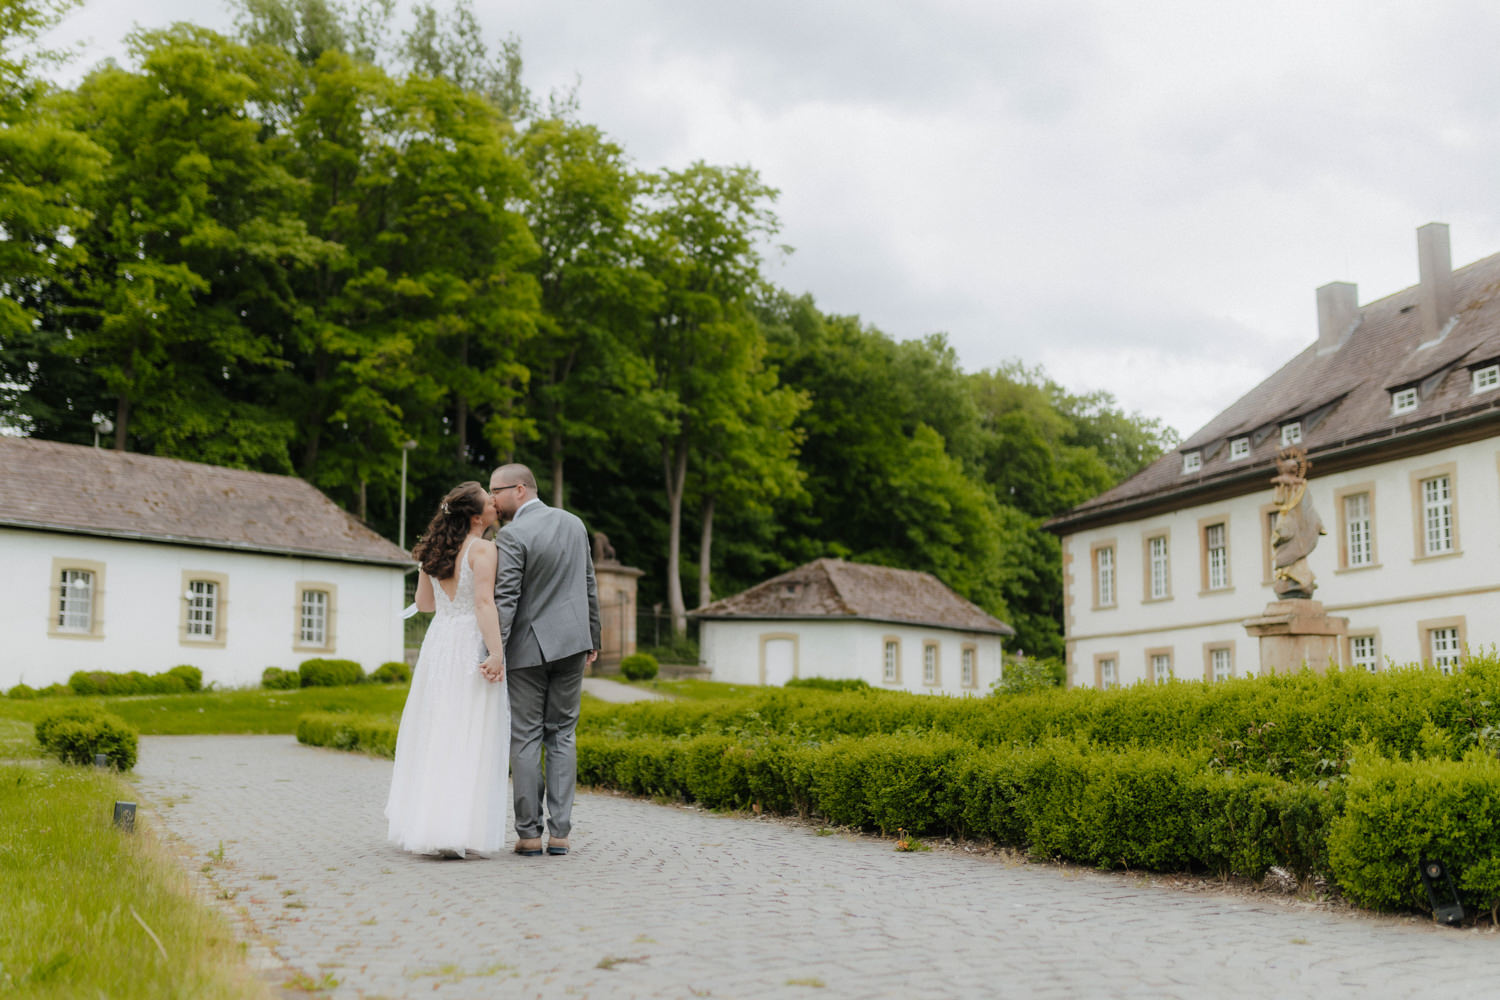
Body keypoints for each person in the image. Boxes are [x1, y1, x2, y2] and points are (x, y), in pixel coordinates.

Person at [385, 482, 510, 858]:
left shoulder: (433, 551)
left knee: (435, 727)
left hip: (439, 643)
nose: (495, 504)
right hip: (468, 640)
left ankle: (427, 823)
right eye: (489, 502)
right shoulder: (483, 549)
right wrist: (496, 652)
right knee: (468, 730)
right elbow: (484, 604)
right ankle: (457, 827)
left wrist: (448, 596)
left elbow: (424, 604)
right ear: (476, 518)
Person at [486, 464, 600, 857]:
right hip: (573, 644)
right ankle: (561, 835)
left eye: (496, 491)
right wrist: (593, 637)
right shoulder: (574, 523)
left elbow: (506, 598)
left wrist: (494, 651)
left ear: (519, 489)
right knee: (563, 734)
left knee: (526, 736)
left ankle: (529, 835)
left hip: (527, 650)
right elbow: (589, 583)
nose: (492, 500)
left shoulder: (512, 535)